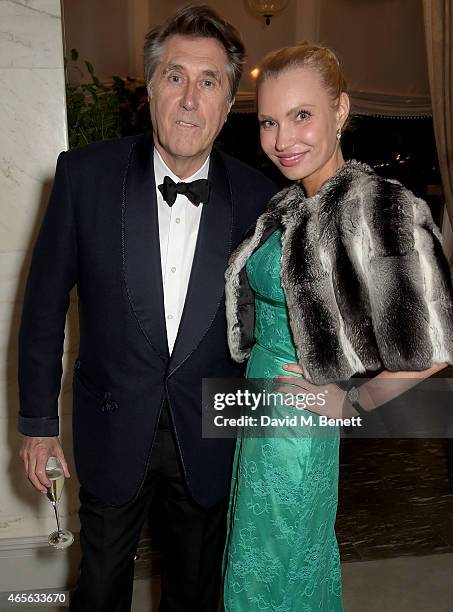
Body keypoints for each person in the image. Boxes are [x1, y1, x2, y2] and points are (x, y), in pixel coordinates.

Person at [17, 5, 277, 611]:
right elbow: (44, 304)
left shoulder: (263, 200)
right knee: (101, 586)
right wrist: (36, 424)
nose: (190, 98)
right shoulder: (83, 177)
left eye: (209, 81)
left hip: (213, 429)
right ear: (152, 88)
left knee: (195, 591)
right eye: (175, 77)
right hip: (112, 424)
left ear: (229, 97)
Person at [223, 43, 453, 610]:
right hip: (260, 413)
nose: (283, 139)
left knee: (276, 575)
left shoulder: (379, 207)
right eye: (270, 122)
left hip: (298, 426)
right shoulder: (286, 206)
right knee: (259, 563)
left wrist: (357, 401)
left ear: (341, 111)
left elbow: (439, 344)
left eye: (303, 116)